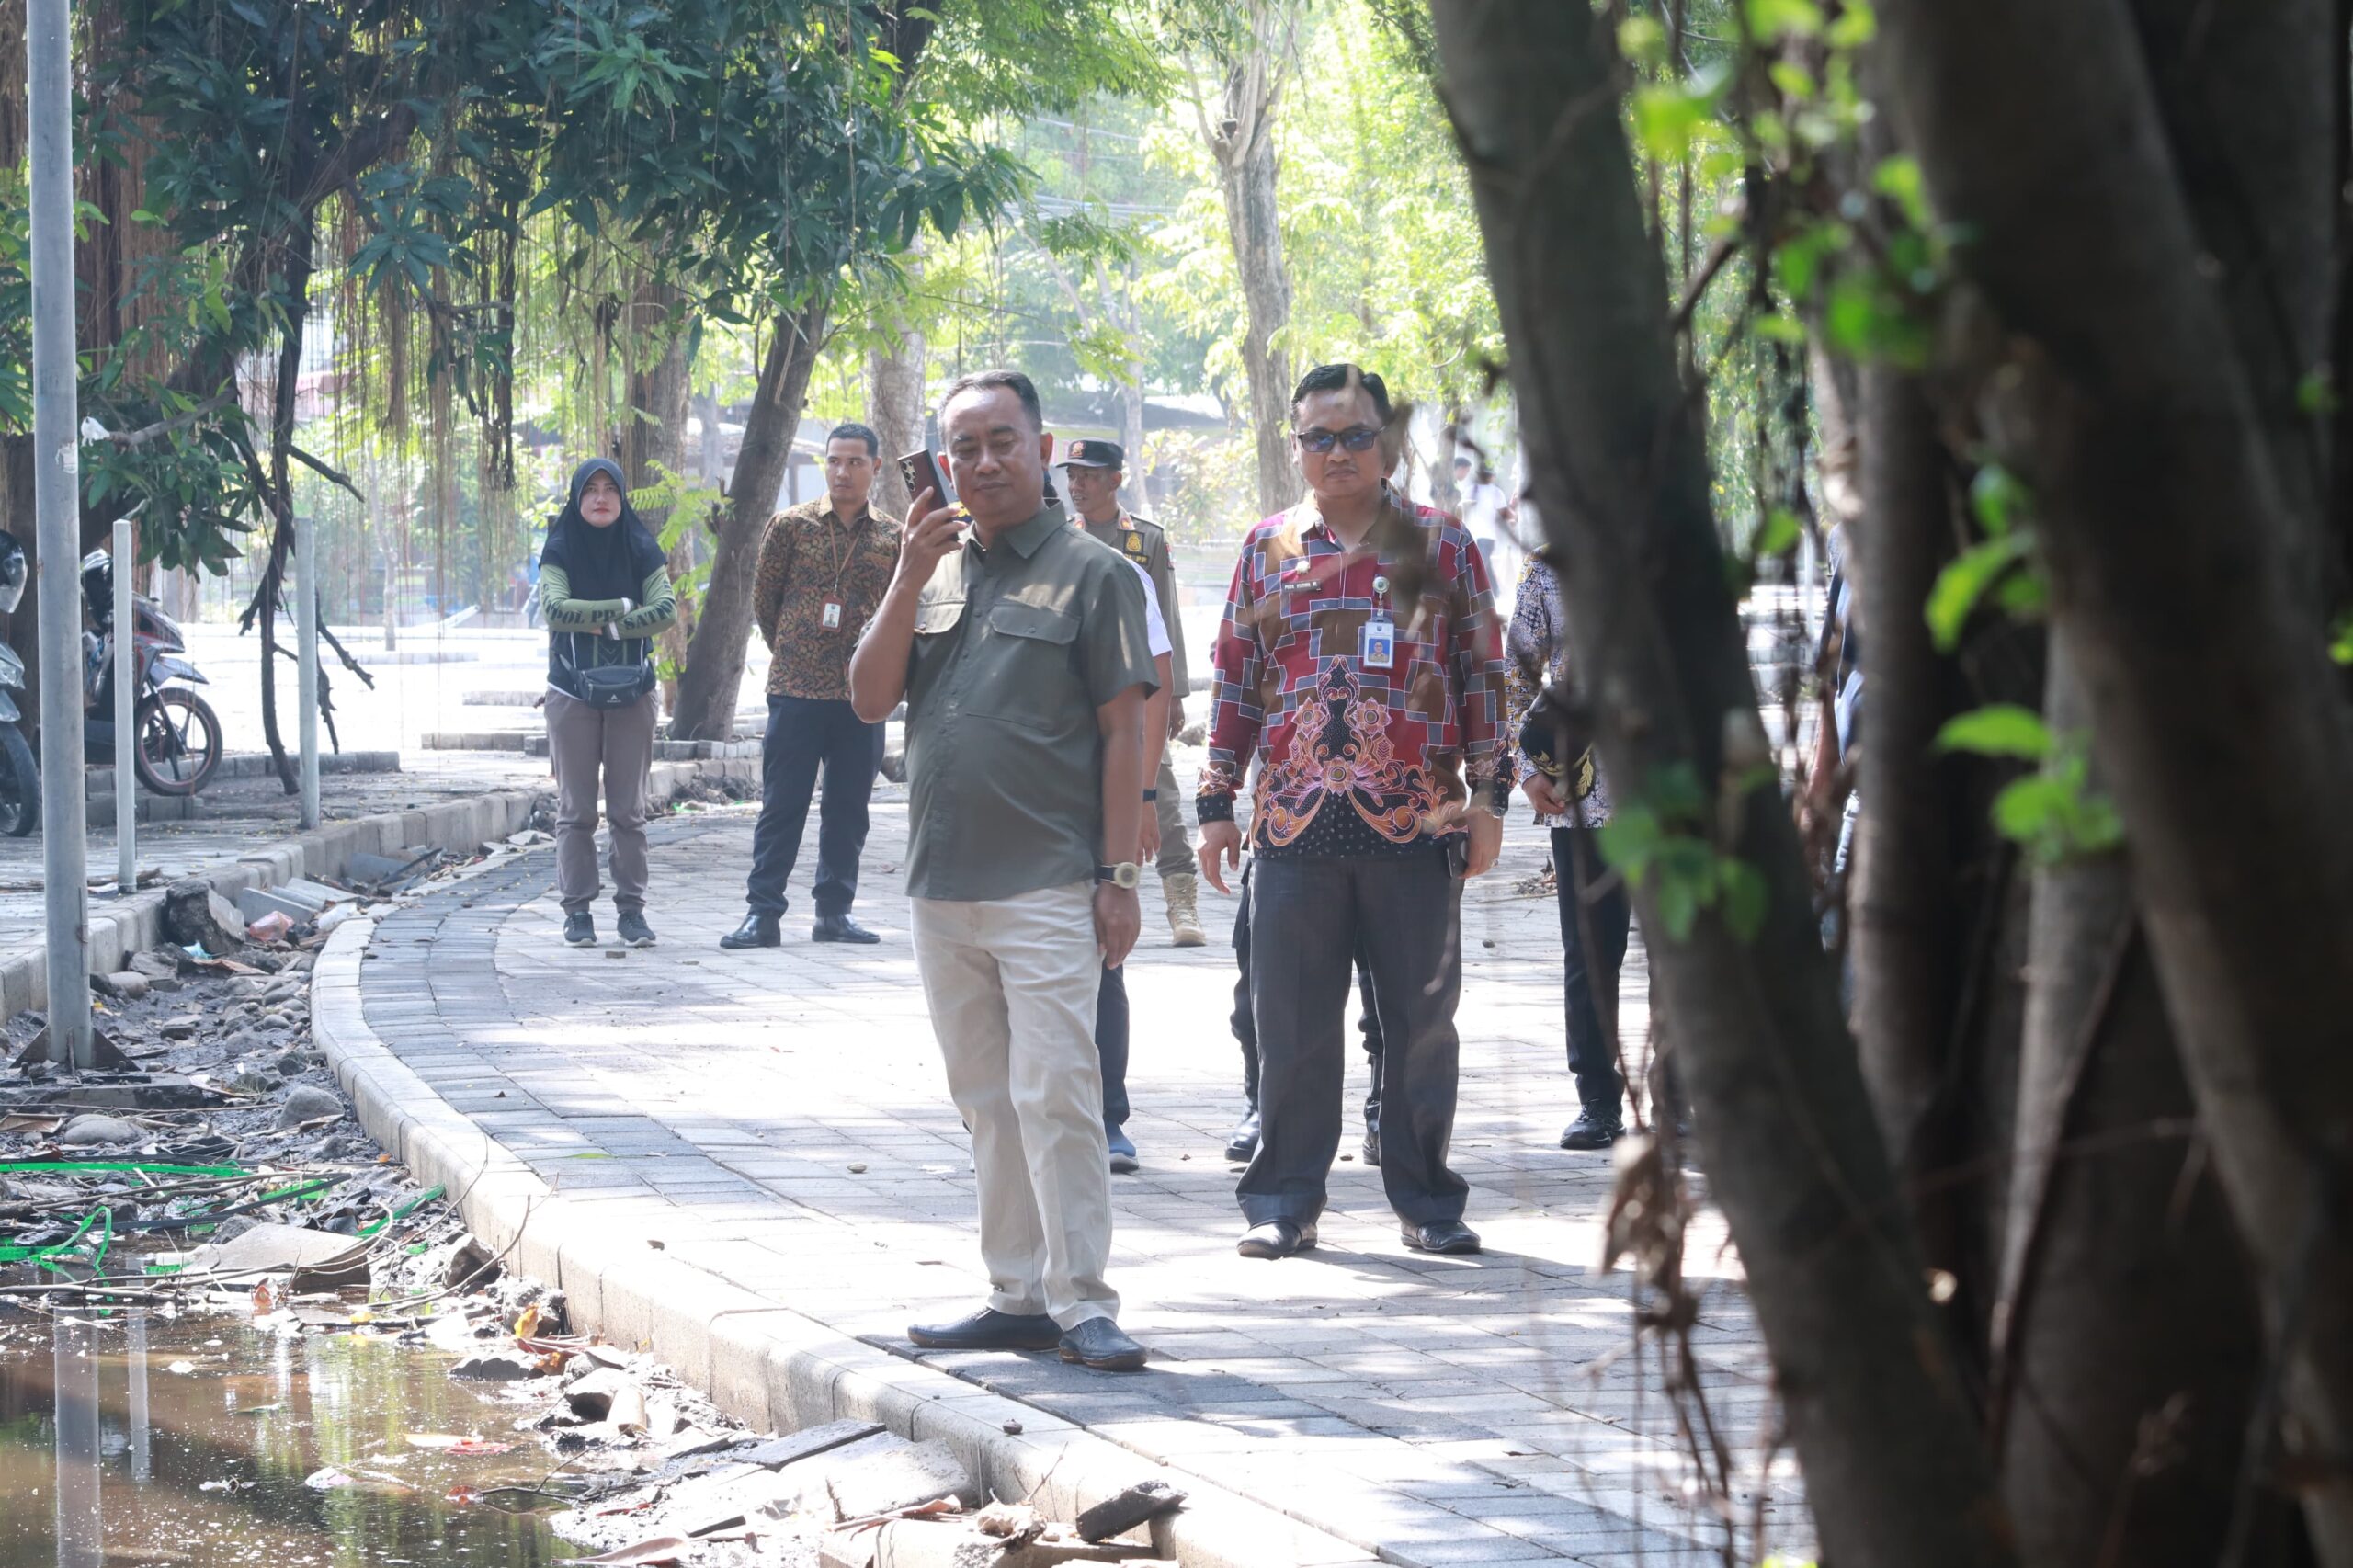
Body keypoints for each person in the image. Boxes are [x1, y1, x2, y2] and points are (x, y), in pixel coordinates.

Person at [849, 369, 1156, 1373]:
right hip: (942, 885)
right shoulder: (931, 569)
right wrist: (904, 576)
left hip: (1049, 880)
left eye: (1001, 441)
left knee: (1057, 1091)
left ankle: (1084, 1300)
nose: (983, 463)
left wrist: (1119, 877)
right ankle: (1016, 1294)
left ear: (1041, 446)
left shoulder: (1096, 573)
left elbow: (1126, 732)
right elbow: (868, 698)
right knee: (984, 1096)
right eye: (964, 447)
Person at [1199, 363, 1509, 1261]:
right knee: (1290, 1026)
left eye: (1356, 435)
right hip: (1291, 824)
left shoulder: (1443, 544)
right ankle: (1284, 1200)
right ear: (1296, 447)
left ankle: (1427, 1199)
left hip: (1418, 821)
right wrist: (1215, 800)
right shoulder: (1265, 547)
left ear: (1388, 444)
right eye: (1319, 438)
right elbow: (1234, 677)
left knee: (1421, 1025)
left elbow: (1484, 674)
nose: (1338, 452)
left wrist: (1490, 797)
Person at [723, 422, 902, 950]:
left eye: (855, 462)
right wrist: (796, 650)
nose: (842, 472)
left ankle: (834, 912)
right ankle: (762, 914)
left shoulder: (893, 538)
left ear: (875, 467)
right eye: (834, 461)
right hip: (796, 689)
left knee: (848, 811)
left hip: (861, 698)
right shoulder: (791, 526)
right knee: (783, 807)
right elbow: (766, 601)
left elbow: (900, 612)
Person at [1506, 550, 1634, 1149]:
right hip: (1582, 796)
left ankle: (1683, 1095)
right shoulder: (1548, 568)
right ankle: (1597, 1100)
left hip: (1673, 792)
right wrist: (1527, 768)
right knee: (1590, 951)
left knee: (1685, 950)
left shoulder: (1676, 549)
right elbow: (1514, 675)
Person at [1057, 439, 1206, 947]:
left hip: (1139, 684)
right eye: (1072, 475)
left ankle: (1181, 900)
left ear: (1115, 480)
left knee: (1157, 788)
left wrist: (1174, 690)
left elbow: (1167, 617)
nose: (1077, 485)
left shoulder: (1146, 539)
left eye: (1088, 475)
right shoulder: (1062, 535)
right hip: (1081, 685)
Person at [538, 459, 678, 949]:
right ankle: (577, 912)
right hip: (571, 693)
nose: (601, 498)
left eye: (610, 489)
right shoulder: (560, 547)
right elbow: (555, 609)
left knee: (628, 811)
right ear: (577, 498)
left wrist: (608, 626)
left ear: (622, 497)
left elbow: (665, 610)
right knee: (576, 811)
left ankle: (631, 912)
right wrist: (622, 607)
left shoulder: (641, 546)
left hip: (633, 695)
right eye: (590, 490)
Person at [1094, 547, 1176, 1174]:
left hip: (1087, 802)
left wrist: (1144, 794)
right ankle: (996, 1123)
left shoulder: (1113, 573)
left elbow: (1154, 689)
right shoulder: (955, 566)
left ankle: (1105, 1115)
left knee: (1102, 958)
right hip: (990, 817)